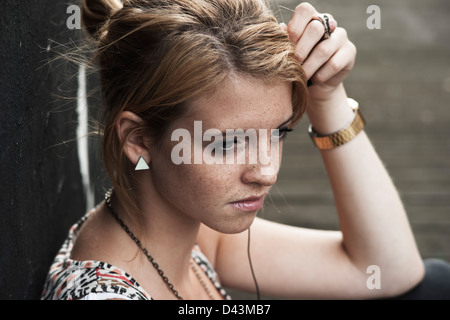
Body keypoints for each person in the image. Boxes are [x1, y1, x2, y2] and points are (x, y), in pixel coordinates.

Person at [41, 0, 447, 300]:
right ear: (140, 141)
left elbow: (389, 271)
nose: (266, 173)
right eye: (227, 143)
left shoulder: (191, 234)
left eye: (278, 132)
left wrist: (328, 99)